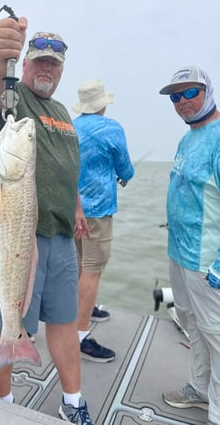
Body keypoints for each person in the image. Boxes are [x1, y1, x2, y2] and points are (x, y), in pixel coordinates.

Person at [0, 15, 94, 425]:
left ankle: (73, 402)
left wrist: (75, 205)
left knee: (64, 321)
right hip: (18, 235)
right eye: (38, 61)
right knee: (4, 319)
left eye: (53, 64)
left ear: (61, 71)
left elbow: (65, 165)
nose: (45, 69)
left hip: (61, 236)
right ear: (24, 65)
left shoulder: (61, 110)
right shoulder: (13, 101)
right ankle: (2, 407)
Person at [158, 65, 220, 425]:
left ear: (208, 90)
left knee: (216, 333)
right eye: (175, 97)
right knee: (191, 323)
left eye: (189, 93)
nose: (181, 102)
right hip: (180, 253)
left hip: (206, 260)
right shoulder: (188, 137)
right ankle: (200, 388)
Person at [72, 79, 134, 363]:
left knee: (79, 266)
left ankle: (83, 310)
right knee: (93, 271)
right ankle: (81, 335)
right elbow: (125, 168)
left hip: (71, 210)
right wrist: (124, 175)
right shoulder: (112, 128)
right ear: (103, 104)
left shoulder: (70, 127)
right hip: (97, 211)